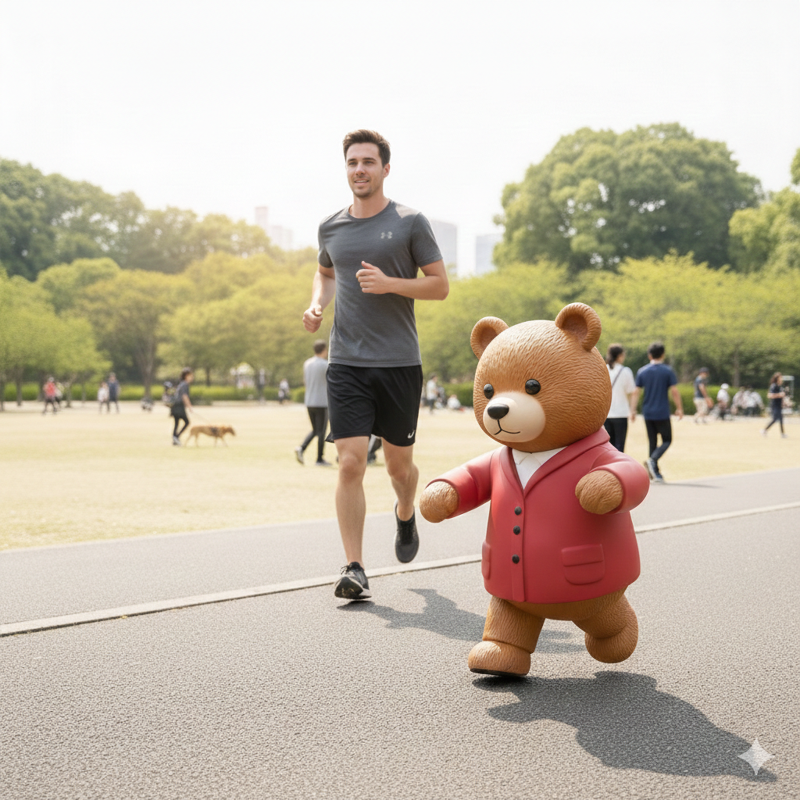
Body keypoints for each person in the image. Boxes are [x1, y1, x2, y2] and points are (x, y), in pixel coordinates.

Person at [302, 128, 448, 600]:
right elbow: (326, 273)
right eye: (352, 163)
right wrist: (317, 304)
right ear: (345, 169)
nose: (359, 169)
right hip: (346, 362)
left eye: (368, 162)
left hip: (399, 363)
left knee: (399, 469)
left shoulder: (409, 222)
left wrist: (391, 284)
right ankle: (355, 566)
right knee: (349, 462)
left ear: (386, 168)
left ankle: (405, 513)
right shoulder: (331, 227)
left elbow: (439, 285)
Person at [632, 341, 684, 482]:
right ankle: (653, 461)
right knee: (667, 440)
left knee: (652, 442)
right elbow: (674, 390)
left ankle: (654, 473)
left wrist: (632, 410)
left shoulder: (642, 371)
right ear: (663, 355)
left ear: (649, 355)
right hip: (661, 411)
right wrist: (679, 408)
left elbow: (636, 391)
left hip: (647, 411)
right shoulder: (667, 371)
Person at [295, 340, 331, 466]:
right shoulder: (325, 364)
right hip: (322, 402)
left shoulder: (307, 363)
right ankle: (319, 459)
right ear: (324, 350)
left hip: (309, 401)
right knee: (321, 431)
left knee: (316, 430)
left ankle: (301, 448)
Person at [603, 344, 636, 451]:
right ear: (620, 356)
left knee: (608, 447)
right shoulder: (625, 371)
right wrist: (632, 410)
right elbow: (631, 391)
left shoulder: (603, 369)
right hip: (621, 413)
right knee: (619, 445)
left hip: (606, 414)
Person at [171, 368, 194, 445]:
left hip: (175, 405)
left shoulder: (181, 384)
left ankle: (175, 439)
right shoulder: (185, 384)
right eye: (191, 376)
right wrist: (190, 406)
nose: (192, 377)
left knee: (176, 423)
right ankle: (176, 437)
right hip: (179, 406)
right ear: (186, 376)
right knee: (187, 422)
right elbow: (184, 396)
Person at [762, 373, 788, 438]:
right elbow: (769, 395)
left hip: (779, 405)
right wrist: (779, 394)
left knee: (781, 419)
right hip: (774, 405)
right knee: (775, 419)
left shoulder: (780, 386)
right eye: (780, 377)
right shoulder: (774, 386)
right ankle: (764, 430)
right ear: (777, 378)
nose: (781, 379)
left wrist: (784, 403)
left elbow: (781, 397)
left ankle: (782, 433)